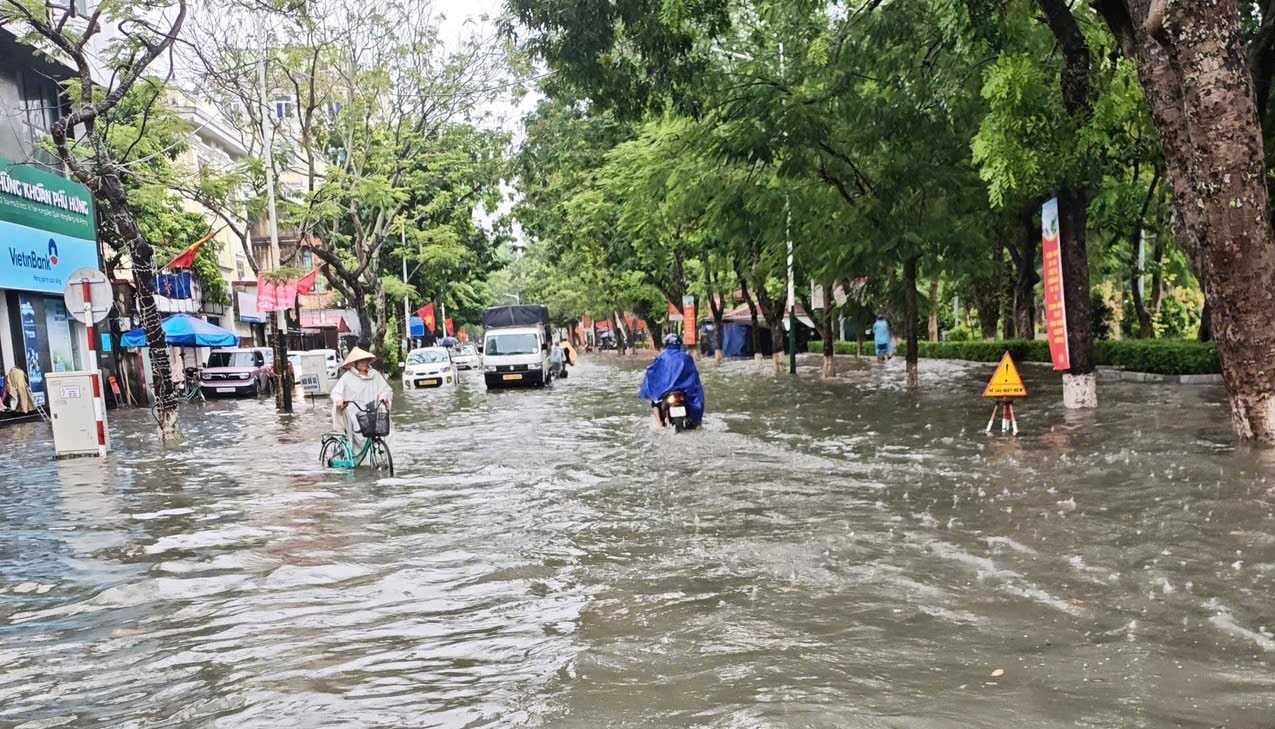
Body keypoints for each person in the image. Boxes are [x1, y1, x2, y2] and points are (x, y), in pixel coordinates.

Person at [330, 347, 392, 450]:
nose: (364, 363)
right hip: (354, 413)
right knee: (356, 439)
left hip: (373, 412)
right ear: (355, 363)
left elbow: (385, 389)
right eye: (361, 361)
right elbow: (336, 392)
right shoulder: (347, 377)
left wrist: (384, 396)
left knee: (381, 435)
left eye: (366, 361)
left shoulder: (375, 375)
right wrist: (339, 401)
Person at [638, 334, 705, 428]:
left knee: (655, 400)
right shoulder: (686, 357)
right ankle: (695, 420)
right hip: (685, 391)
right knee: (696, 397)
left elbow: (654, 372)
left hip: (665, 391)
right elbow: (694, 375)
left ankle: (659, 424)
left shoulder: (662, 356)